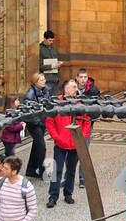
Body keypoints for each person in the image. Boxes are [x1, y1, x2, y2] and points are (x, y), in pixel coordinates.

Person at [45, 79, 90, 208]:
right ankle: (53, 196)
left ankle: (68, 194)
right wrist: (56, 137)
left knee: (71, 170)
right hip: (60, 143)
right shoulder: (57, 103)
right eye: (74, 87)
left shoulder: (80, 103)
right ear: (66, 89)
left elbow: (87, 121)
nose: (76, 89)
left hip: (74, 143)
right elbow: (49, 122)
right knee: (57, 170)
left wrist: (82, 137)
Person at [22, 72, 50, 178]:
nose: (44, 81)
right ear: (35, 82)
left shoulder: (45, 90)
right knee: (41, 147)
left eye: (44, 79)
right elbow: (27, 110)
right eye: (41, 80)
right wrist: (37, 121)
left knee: (36, 146)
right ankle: (43, 172)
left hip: (42, 121)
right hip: (34, 123)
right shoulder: (30, 94)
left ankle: (31, 169)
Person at [39, 30, 65, 94]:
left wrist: (58, 64)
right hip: (47, 78)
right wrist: (52, 66)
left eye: (52, 40)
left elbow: (56, 58)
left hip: (56, 77)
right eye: (50, 40)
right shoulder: (39, 49)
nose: (51, 42)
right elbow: (39, 66)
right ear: (45, 39)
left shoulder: (54, 48)